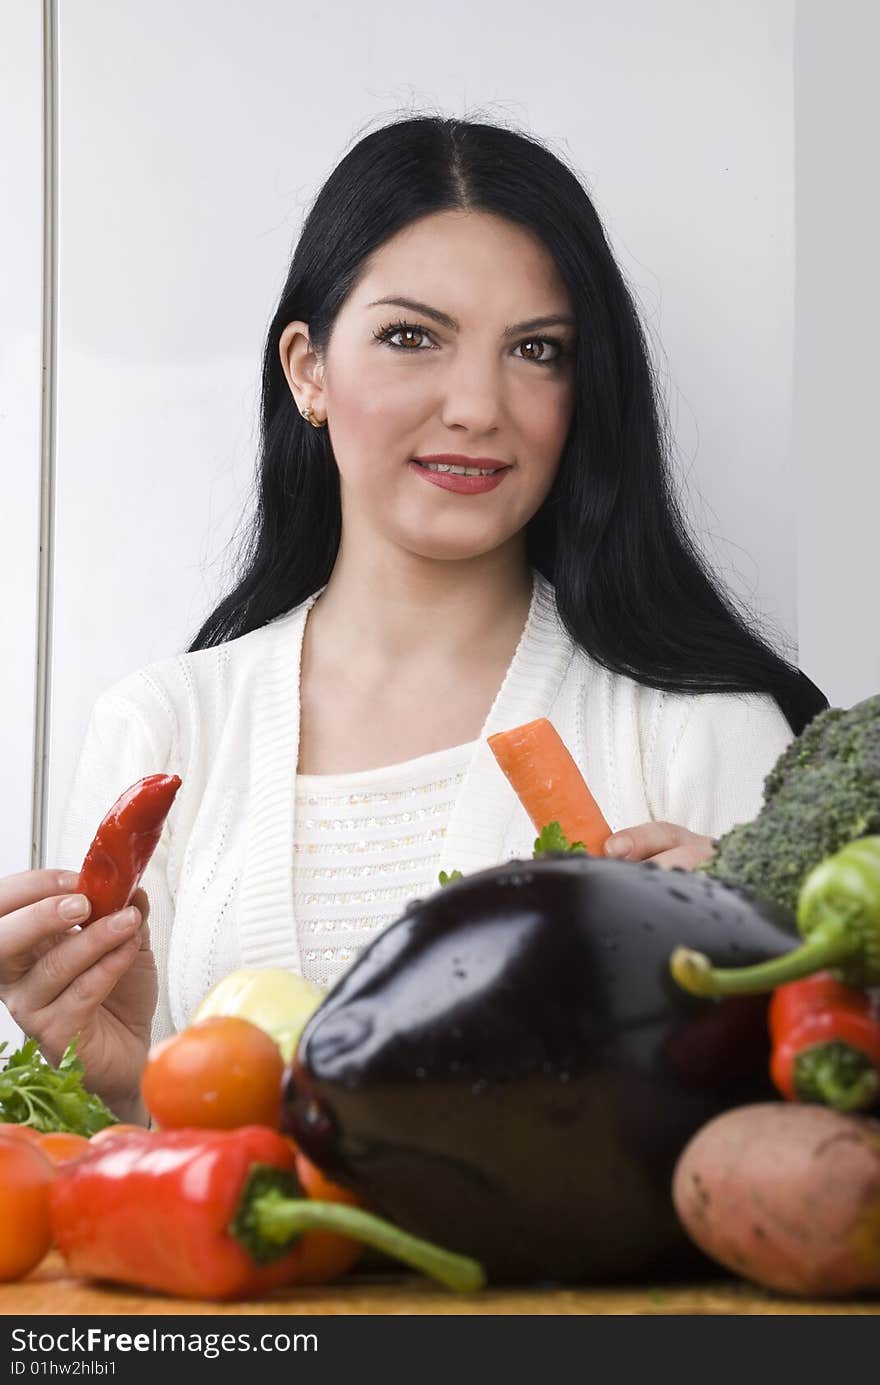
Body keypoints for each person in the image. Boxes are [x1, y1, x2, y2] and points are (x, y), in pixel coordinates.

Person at [0, 114, 827, 1126]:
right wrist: (124, 1081)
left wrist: (760, 969)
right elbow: (103, 1188)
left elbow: (809, 1135)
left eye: (536, 349)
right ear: (307, 369)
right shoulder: (165, 730)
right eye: (410, 336)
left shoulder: (704, 724)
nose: (478, 404)